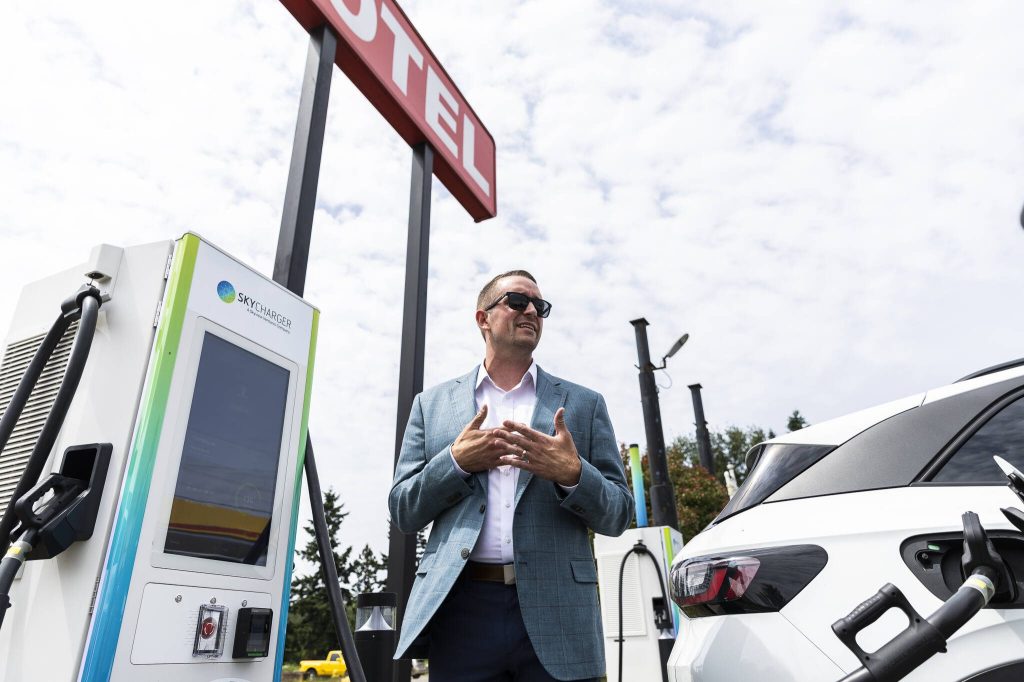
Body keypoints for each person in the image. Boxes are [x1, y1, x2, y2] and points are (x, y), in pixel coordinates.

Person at [389, 270, 634, 681]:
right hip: (460, 611)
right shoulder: (431, 406)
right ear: (483, 318)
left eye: (541, 306)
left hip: (560, 611)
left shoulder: (584, 405)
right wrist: (455, 463)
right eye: (518, 301)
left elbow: (619, 515)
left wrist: (572, 473)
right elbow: (403, 510)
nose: (532, 311)